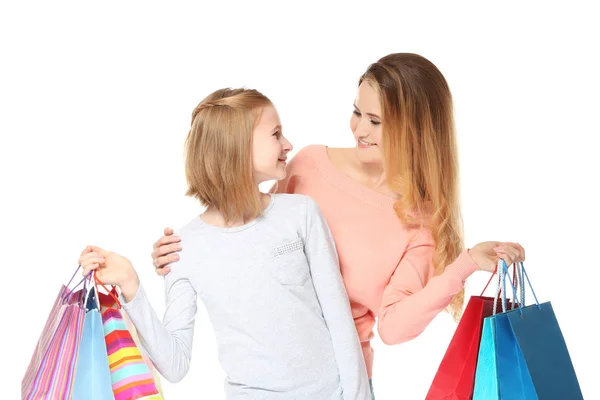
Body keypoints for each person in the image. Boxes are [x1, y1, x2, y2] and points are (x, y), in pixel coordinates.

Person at [151, 54, 526, 398]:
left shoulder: (418, 220)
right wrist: (182, 255)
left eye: (375, 121)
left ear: (415, 130)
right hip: (265, 383)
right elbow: (246, 232)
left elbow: (393, 327)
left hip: (346, 386)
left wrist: (464, 266)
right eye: (356, 112)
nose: (358, 129)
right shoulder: (309, 165)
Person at [79, 88, 372, 400]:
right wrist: (131, 284)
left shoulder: (300, 213)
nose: (287, 144)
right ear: (238, 148)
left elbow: (339, 320)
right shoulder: (184, 247)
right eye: (275, 134)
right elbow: (175, 364)